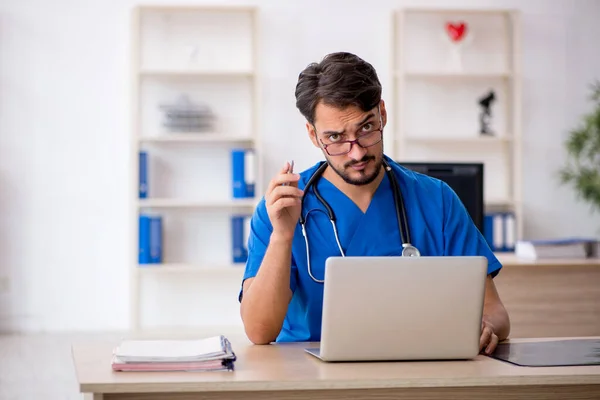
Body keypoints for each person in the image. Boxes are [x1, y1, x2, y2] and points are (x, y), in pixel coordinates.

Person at [238, 52, 510, 354]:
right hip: (306, 378)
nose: (356, 153)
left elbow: (496, 312)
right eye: (336, 137)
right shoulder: (282, 207)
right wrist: (283, 236)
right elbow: (259, 331)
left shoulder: (437, 200)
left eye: (366, 128)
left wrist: (485, 326)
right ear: (313, 135)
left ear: (382, 114)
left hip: (417, 371)